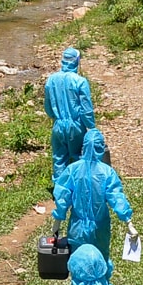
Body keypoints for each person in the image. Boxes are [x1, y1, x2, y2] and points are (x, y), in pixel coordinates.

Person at [52, 127, 135, 261]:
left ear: (83, 147)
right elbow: (116, 198)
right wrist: (128, 222)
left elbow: (62, 198)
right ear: (101, 148)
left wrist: (56, 225)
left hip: (77, 227)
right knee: (100, 262)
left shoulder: (72, 170)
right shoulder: (107, 172)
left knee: (78, 263)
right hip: (99, 228)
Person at [43, 48, 96, 188]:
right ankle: (82, 188)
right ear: (77, 62)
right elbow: (86, 108)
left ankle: (60, 190)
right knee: (79, 156)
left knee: (59, 158)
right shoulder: (80, 81)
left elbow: (48, 106)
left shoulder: (51, 79)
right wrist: (91, 126)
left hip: (58, 125)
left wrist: (55, 117)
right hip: (76, 125)